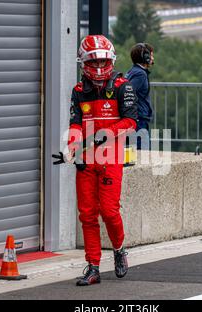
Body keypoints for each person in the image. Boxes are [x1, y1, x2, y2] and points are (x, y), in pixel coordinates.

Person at [52, 35, 137, 286]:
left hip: (111, 158)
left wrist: (104, 135)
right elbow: (75, 124)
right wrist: (71, 146)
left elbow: (132, 122)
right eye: (94, 63)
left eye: (103, 62)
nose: (99, 68)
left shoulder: (123, 86)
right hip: (86, 161)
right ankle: (93, 267)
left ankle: (120, 250)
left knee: (109, 211)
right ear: (83, 64)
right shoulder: (78, 92)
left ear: (110, 61)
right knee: (87, 214)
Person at [125, 43, 155, 150]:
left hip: (136, 119)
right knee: (142, 157)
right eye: (151, 55)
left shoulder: (133, 71)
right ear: (145, 57)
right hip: (139, 121)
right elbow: (128, 93)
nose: (153, 58)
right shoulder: (140, 74)